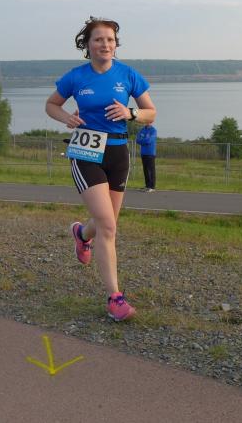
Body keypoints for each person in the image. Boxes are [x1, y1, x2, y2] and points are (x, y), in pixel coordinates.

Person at [45, 17, 156, 321]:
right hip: (86, 152)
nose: (105, 44)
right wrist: (66, 117)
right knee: (107, 225)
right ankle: (115, 299)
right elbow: (51, 105)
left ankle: (82, 234)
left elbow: (151, 112)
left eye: (110, 39)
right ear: (88, 45)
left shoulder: (128, 75)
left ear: (116, 45)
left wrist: (131, 112)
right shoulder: (76, 77)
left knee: (106, 222)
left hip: (118, 152)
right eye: (98, 39)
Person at [136, 124, 157, 192]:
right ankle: (147, 186)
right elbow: (137, 140)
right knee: (145, 170)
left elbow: (149, 141)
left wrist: (142, 140)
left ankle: (152, 187)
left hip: (150, 153)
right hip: (143, 153)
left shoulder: (153, 130)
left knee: (151, 170)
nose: (148, 122)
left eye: (149, 121)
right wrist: (144, 140)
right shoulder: (142, 130)